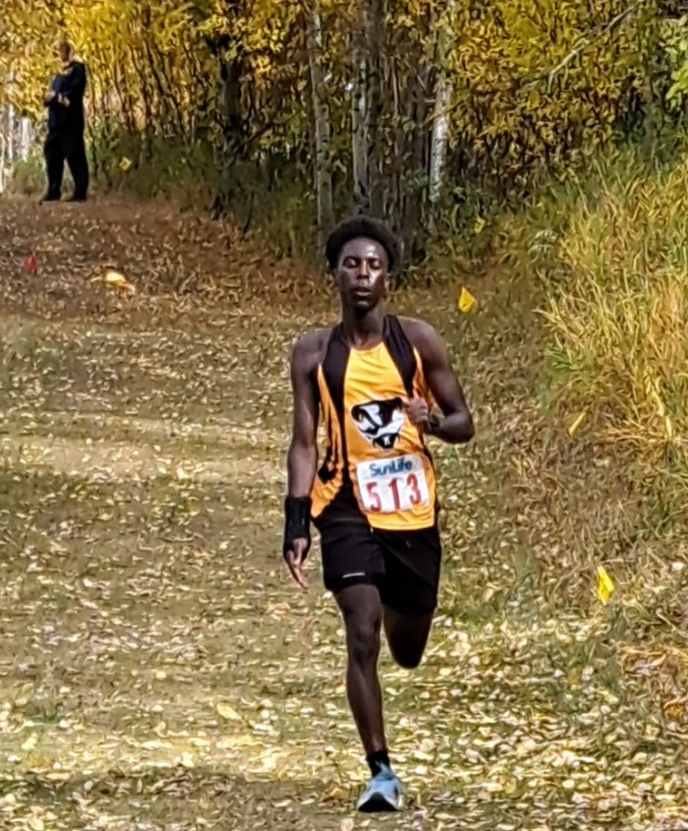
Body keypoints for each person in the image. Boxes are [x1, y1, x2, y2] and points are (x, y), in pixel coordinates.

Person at [283, 217, 474, 812]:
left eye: (374, 266)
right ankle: (380, 771)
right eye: (351, 265)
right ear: (335, 275)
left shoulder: (417, 342)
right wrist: (296, 521)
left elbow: (464, 422)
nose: (362, 275)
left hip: (410, 508)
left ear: (388, 277)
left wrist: (430, 421)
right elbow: (303, 442)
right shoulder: (313, 353)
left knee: (407, 650)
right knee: (360, 630)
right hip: (343, 503)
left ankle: (395, 595)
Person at [41, 41, 89, 203]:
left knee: (75, 157)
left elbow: (73, 96)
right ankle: (53, 190)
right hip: (55, 124)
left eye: (63, 51)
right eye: (59, 51)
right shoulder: (58, 73)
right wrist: (48, 98)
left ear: (69, 52)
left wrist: (58, 98)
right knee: (52, 155)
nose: (60, 54)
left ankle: (80, 191)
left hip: (71, 123)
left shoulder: (78, 70)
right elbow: (52, 93)